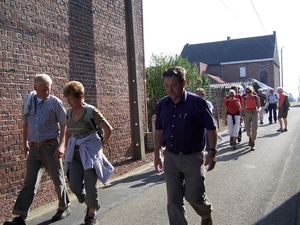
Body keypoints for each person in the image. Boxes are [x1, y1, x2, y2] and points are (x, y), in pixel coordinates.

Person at [154, 66, 218, 225]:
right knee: (173, 200)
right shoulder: (162, 105)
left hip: (193, 157)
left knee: (194, 196)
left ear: (183, 83)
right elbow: (159, 130)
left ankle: (206, 213)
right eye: (166, 86)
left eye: (173, 85)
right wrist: (157, 154)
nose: (170, 90)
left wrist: (212, 152)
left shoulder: (197, 103)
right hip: (171, 157)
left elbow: (211, 127)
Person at [4, 74, 71, 225]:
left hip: (50, 147)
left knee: (58, 179)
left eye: (48, 89)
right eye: (43, 90)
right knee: (30, 182)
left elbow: (64, 124)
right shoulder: (28, 101)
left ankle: (64, 206)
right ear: (35, 88)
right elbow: (26, 124)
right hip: (34, 149)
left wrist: (61, 145)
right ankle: (21, 216)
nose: (47, 92)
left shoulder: (55, 102)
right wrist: (24, 144)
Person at [63, 81, 113, 225]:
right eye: (68, 99)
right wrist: (67, 148)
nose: (69, 102)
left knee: (91, 186)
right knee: (74, 186)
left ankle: (91, 215)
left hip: (90, 153)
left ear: (80, 96)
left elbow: (108, 129)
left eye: (71, 99)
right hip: (75, 153)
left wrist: (101, 144)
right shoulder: (68, 113)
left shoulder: (91, 111)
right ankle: (91, 203)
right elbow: (68, 131)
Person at [242, 86, 261, 151]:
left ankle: (253, 143)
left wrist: (258, 109)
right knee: (247, 129)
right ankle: (250, 137)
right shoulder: (244, 98)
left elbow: (259, 106)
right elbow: (243, 107)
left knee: (254, 128)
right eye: (246, 92)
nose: (248, 93)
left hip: (254, 113)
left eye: (249, 92)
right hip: (247, 113)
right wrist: (242, 115)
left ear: (252, 91)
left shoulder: (256, 97)